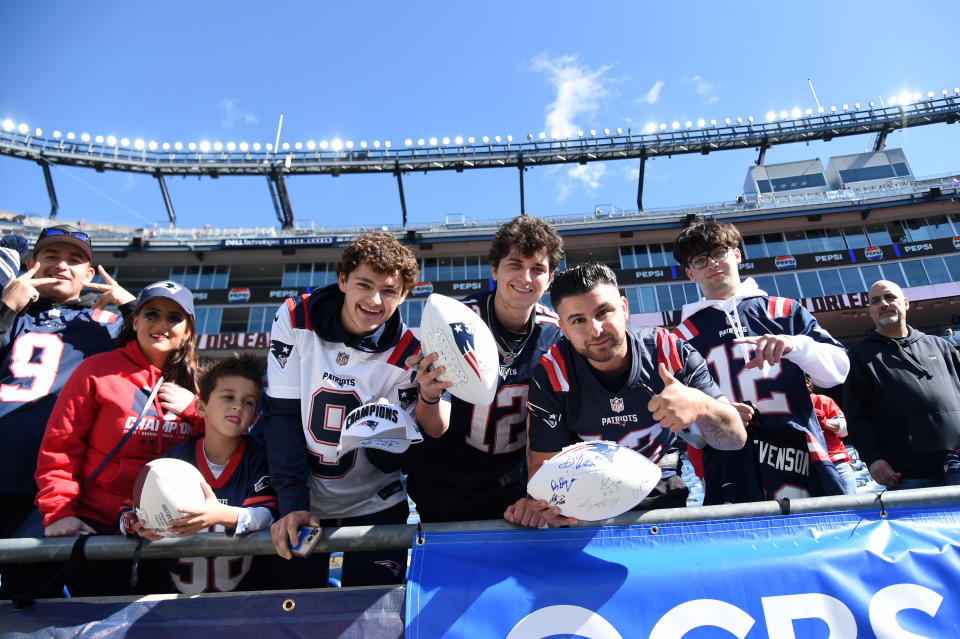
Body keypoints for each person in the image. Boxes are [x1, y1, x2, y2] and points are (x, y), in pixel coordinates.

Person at [504, 263, 746, 528]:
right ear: (562, 326)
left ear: (624, 307)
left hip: (657, 477)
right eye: (578, 320)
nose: (595, 330)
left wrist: (703, 406)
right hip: (585, 487)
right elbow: (543, 467)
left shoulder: (670, 352)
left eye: (603, 312)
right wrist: (540, 504)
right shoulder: (553, 373)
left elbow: (735, 439)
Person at [262, 232, 420, 587]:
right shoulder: (295, 317)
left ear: (404, 295)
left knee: (372, 616)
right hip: (304, 500)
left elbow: (396, 462)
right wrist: (292, 502)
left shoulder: (409, 352)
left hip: (376, 504)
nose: (374, 299)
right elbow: (282, 417)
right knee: (293, 612)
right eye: (364, 284)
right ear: (343, 279)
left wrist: (386, 436)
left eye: (389, 290)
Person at [31, 280, 202, 596]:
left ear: (188, 330)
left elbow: (227, 448)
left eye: (174, 318)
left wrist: (195, 410)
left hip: (170, 538)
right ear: (134, 320)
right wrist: (60, 512)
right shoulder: (95, 371)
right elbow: (60, 448)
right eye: (151, 314)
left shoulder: (199, 385)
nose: (161, 325)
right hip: (96, 533)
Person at [672, 221, 848, 504]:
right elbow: (679, 420)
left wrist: (794, 346)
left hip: (800, 450)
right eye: (700, 260)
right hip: (730, 462)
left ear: (737, 254)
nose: (713, 264)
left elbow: (838, 372)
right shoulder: (682, 337)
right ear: (690, 272)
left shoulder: (785, 310)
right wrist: (714, 416)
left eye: (719, 252)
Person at [409, 215, 564, 522]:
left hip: (515, 490)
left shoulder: (557, 336)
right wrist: (428, 394)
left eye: (538, 269)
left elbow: (557, 429)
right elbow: (435, 426)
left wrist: (537, 491)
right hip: (446, 484)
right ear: (494, 269)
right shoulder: (456, 321)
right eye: (515, 264)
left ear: (551, 278)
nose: (526, 277)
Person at [0, 225, 136, 540]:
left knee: (27, 582)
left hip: (56, 482)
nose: (61, 265)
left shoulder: (109, 326)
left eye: (74, 259)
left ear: (88, 273)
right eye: (51, 255)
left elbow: (171, 354)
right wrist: (6, 307)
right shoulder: (13, 313)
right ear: (31, 263)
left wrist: (130, 306)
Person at [127, 354, 278, 594]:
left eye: (248, 402)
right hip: (175, 607)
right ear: (201, 406)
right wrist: (134, 524)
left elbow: (266, 515)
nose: (238, 406)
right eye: (228, 397)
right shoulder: (174, 460)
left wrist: (219, 514)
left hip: (245, 604)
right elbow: (129, 511)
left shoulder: (259, 459)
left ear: (255, 416)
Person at [843, 280, 960, 490]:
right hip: (909, 475)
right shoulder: (859, 357)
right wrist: (873, 458)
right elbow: (856, 416)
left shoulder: (941, 346)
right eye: (876, 301)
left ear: (906, 303)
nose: (883, 304)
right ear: (870, 311)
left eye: (890, 297)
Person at [806, 375, 857, 495]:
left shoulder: (822, 400)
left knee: (850, 506)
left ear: (808, 382)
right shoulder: (788, 405)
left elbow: (845, 429)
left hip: (835, 462)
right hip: (808, 467)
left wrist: (825, 422)